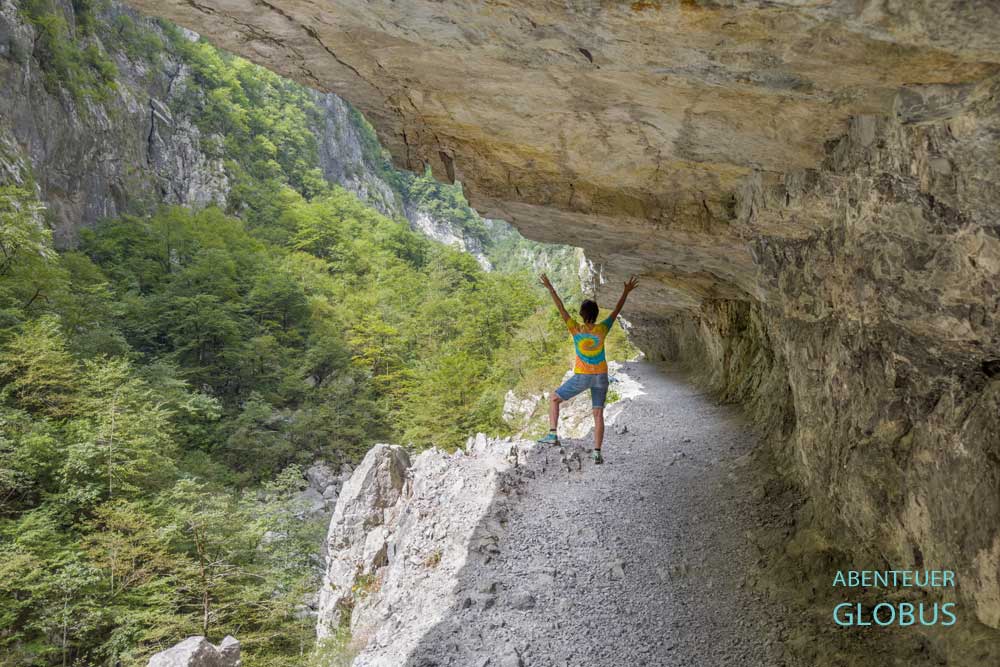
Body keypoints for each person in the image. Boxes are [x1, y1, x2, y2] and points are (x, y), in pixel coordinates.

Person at [537, 273, 639, 463]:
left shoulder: (575, 328)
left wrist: (550, 287)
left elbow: (560, 308)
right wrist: (626, 291)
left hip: (583, 376)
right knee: (598, 413)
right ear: (596, 314)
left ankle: (552, 434)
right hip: (601, 376)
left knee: (554, 398)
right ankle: (597, 453)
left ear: (582, 315)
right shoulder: (603, 328)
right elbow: (616, 310)